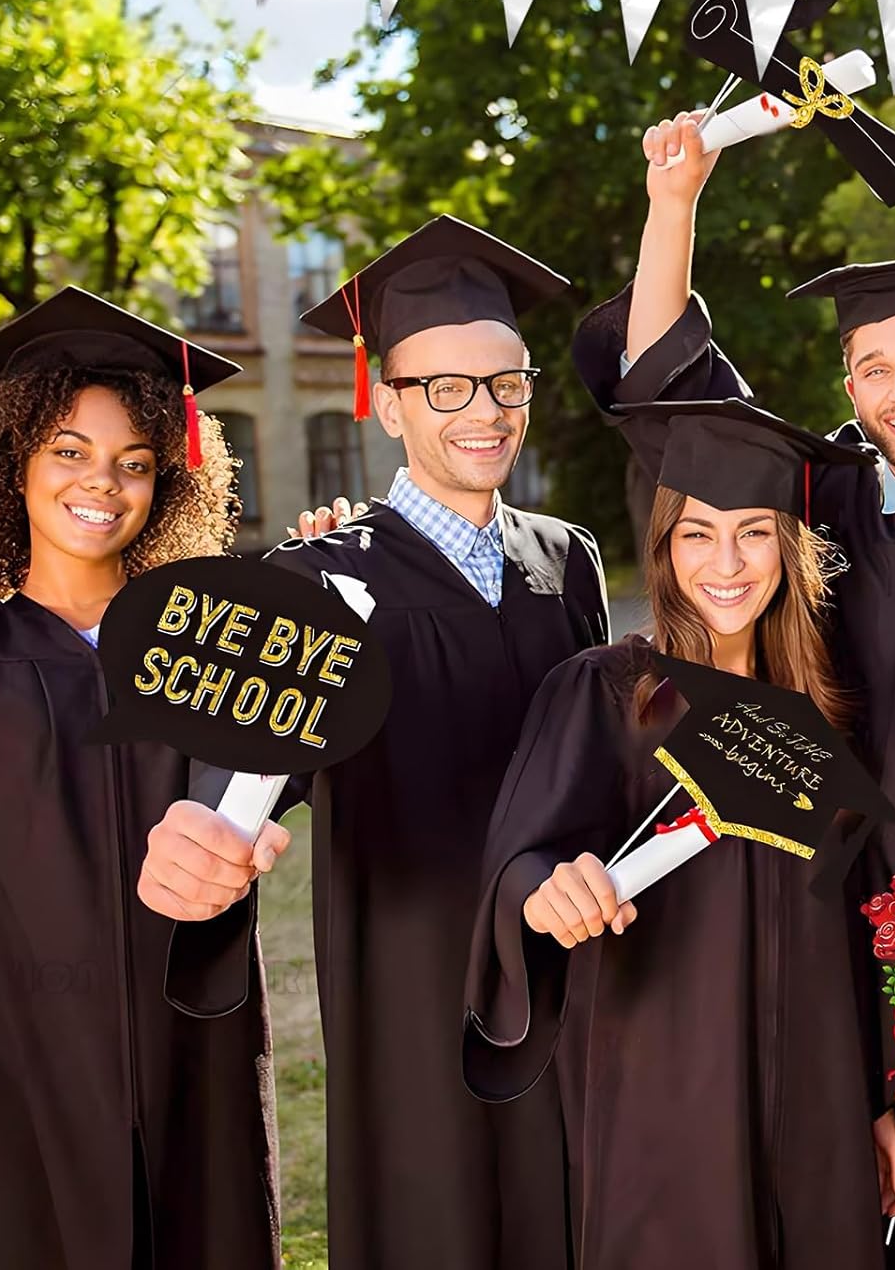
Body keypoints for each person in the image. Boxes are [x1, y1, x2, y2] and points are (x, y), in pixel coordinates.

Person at [570, 113, 895, 1266]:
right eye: (873, 366)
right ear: (847, 381)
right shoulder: (817, 506)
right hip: (823, 943)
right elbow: (669, 395)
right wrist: (675, 204)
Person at [141, 216, 609, 1270]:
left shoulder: (569, 562)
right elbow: (242, 769)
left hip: (568, 972)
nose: (483, 412)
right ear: (388, 404)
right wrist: (211, 832)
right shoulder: (316, 583)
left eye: (506, 384)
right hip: (414, 985)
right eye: (444, 387)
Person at [463, 397, 895, 1270]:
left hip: (815, 1092)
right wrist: (550, 890)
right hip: (664, 1091)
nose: (727, 564)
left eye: (754, 533)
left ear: (789, 544)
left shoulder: (823, 719)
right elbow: (523, 860)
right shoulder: (609, 692)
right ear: (664, 549)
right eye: (697, 535)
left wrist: (873, 1101)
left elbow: (850, 932)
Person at [0, 287, 286, 1270]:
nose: (102, 483)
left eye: (134, 463)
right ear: (17, 464)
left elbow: (281, 779)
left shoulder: (213, 650)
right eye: (68, 451)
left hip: (191, 1047)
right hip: (23, 1058)